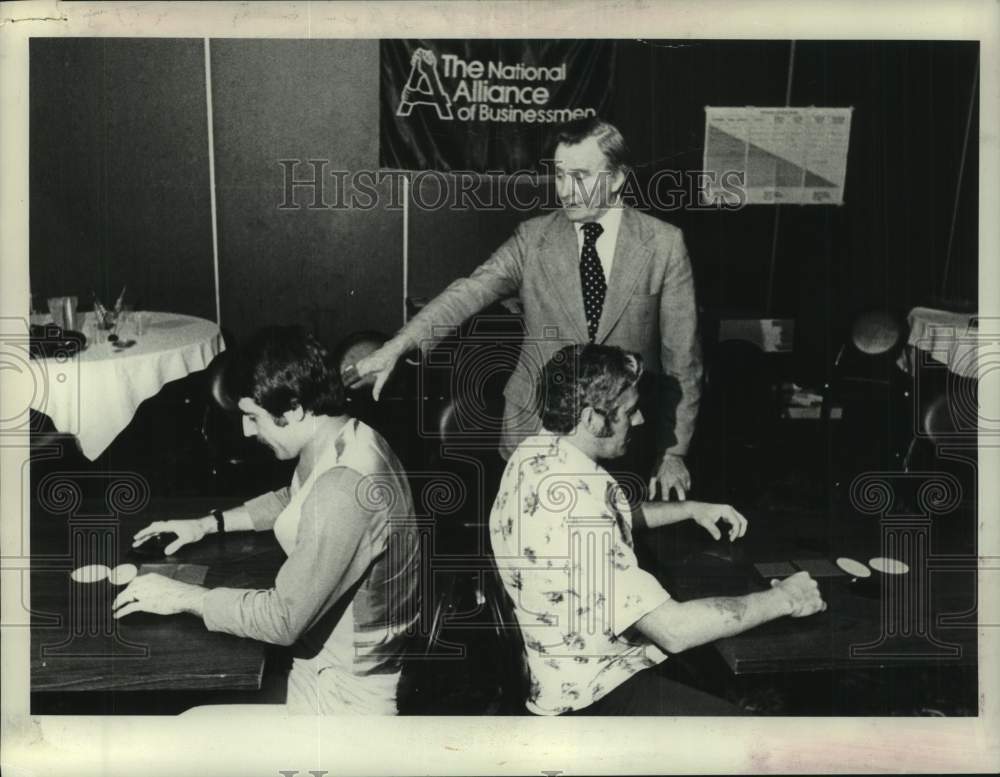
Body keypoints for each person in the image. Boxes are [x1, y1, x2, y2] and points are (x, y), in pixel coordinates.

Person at [352, 117, 702, 500]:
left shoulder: (665, 246)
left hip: (621, 440)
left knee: (612, 548)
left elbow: (682, 361)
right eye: (559, 175)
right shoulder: (533, 239)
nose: (566, 191)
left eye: (580, 176)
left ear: (617, 178)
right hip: (534, 432)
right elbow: (469, 291)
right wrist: (399, 345)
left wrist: (674, 451)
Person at [488, 344, 825, 715]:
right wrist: (786, 598)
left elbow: (612, 513)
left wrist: (690, 509)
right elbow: (675, 630)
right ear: (590, 419)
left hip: (566, 671)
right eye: (629, 412)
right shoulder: (578, 512)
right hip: (592, 697)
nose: (640, 421)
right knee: (758, 741)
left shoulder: (537, 453)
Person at [112, 326, 421, 715]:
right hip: (330, 662)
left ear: (292, 410)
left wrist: (181, 597)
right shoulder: (347, 436)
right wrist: (206, 525)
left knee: (188, 725)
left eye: (253, 417)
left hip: (347, 694)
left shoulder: (342, 490)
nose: (246, 430)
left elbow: (281, 619)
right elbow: (295, 498)